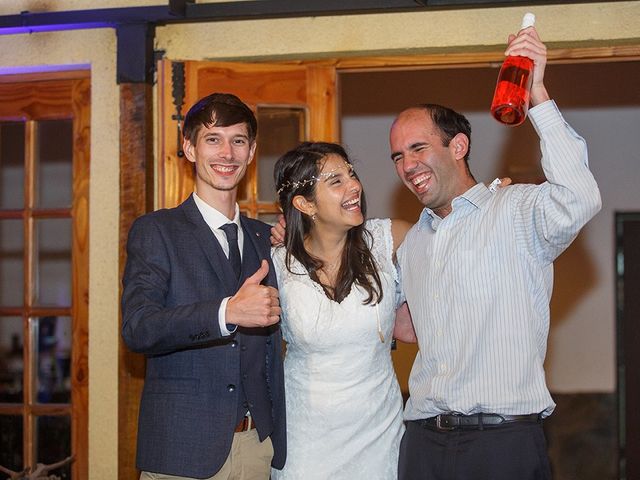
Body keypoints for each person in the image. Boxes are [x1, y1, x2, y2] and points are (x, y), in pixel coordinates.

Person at [389, 26, 602, 479]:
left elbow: (580, 197)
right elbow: (400, 324)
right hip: (423, 442)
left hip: (502, 445)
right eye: (398, 156)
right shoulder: (414, 245)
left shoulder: (516, 210)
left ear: (458, 146)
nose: (407, 166)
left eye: (418, 148)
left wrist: (538, 92)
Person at [121, 93, 286, 480]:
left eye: (238, 141)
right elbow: (138, 328)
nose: (226, 152)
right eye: (213, 139)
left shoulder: (267, 239)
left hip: (256, 449)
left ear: (251, 151)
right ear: (190, 148)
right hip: (181, 450)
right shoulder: (156, 231)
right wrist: (226, 312)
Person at [270, 142, 415, 480]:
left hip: (378, 434)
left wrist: (488, 207)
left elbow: (454, 246)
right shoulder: (278, 263)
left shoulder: (390, 240)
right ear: (305, 204)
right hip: (305, 438)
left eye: (352, 174)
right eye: (336, 181)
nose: (354, 186)